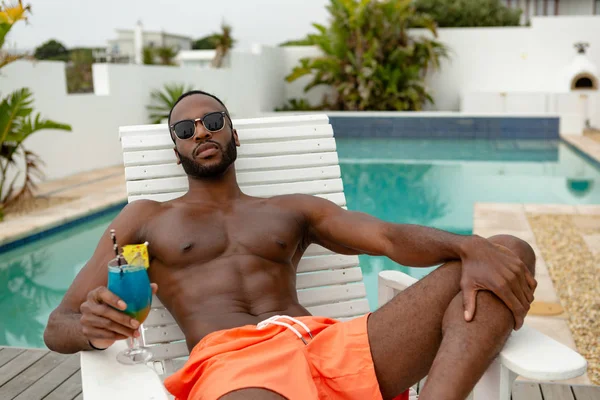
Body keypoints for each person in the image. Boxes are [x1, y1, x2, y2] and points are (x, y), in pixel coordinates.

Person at [44, 90, 537, 400]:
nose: (200, 131)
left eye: (212, 121)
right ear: (177, 151)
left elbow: (387, 237)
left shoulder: (293, 208)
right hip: (232, 365)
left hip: (326, 343)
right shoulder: (146, 218)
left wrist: (467, 245)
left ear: (234, 134)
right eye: (184, 129)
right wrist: (93, 327)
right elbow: (58, 326)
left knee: (507, 249)